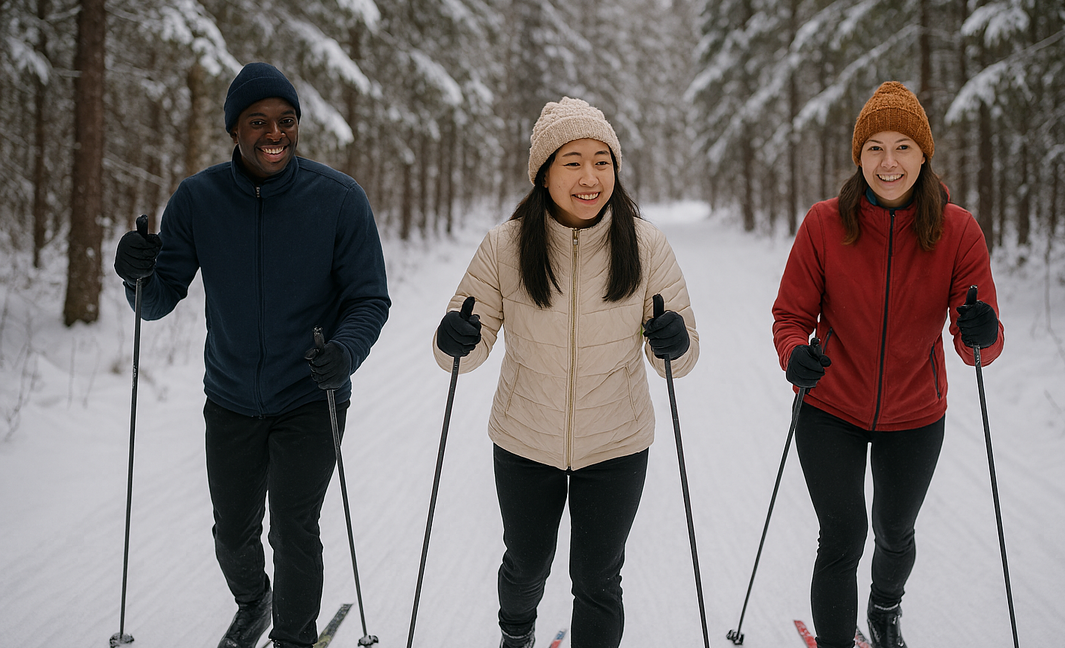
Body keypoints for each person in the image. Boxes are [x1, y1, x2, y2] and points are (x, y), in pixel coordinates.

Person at [112, 62, 390, 648]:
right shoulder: (199, 199)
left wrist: (345, 352)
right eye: (258, 121)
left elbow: (369, 298)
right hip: (232, 397)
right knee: (233, 535)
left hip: (311, 395)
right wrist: (136, 272)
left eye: (286, 120)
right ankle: (253, 600)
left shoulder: (339, 199)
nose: (274, 133)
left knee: (293, 529)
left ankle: (293, 637)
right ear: (234, 129)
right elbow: (157, 300)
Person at [432, 97, 699, 648]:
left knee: (598, 579)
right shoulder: (505, 246)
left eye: (602, 161)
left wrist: (673, 342)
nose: (589, 177)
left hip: (617, 441)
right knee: (525, 566)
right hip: (526, 438)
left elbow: (681, 356)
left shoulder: (645, 244)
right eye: (573, 162)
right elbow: (462, 350)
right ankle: (516, 634)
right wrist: (455, 338)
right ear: (544, 173)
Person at [771, 81, 1004, 648]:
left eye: (903, 147)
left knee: (895, 532)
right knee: (843, 535)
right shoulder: (825, 223)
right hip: (830, 407)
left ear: (923, 155)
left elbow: (978, 342)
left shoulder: (958, 230)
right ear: (859, 157)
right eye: (875, 148)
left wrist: (982, 331)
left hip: (915, 412)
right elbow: (790, 317)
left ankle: (883, 607)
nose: (888, 162)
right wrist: (795, 355)